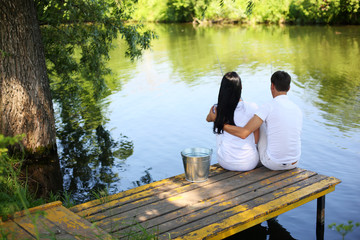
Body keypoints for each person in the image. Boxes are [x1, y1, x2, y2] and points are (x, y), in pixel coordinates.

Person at [222, 71, 303, 170]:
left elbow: (244, 133)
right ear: (289, 88)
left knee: (260, 123)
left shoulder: (267, 107)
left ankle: (249, 154)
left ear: (272, 86)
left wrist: (220, 123)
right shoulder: (297, 109)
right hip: (294, 162)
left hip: (273, 163)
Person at [206, 72, 259, 171]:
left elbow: (208, 118)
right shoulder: (253, 107)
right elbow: (256, 136)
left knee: (217, 122)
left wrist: (215, 118)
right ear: (241, 87)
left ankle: (227, 152)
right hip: (250, 162)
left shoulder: (217, 108)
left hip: (226, 162)